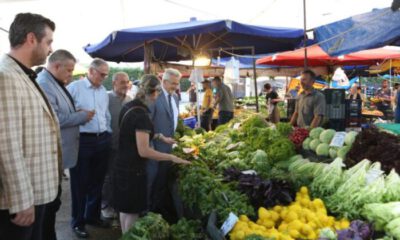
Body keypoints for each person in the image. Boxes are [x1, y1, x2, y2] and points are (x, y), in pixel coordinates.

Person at [0, 13, 61, 240]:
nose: (51, 48)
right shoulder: (6, 77)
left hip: (37, 193)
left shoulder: (23, 74)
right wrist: (21, 200)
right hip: (23, 202)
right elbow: (6, 145)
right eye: (49, 42)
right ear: (31, 38)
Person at [113, 74, 190, 233]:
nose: (158, 97)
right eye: (158, 93)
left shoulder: (129, 106)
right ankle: (129, 235)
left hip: (122, 165)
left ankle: (125, 234)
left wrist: (160, 136)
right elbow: (144, 151)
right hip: (133, 170)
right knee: (133, 212)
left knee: (125, 209)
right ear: (154, 92)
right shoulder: (142, 115)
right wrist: (171, 157)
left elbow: (132, 133)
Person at [37, 49, 94, 240]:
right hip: (52, 154)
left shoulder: (54, 82)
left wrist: (75, 111)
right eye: (69, 70)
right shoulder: (45, 84)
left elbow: (60, 110)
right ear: (56, 66)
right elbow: (55, 118)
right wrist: (81, 116)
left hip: (59, 153)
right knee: (49, 207)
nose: (71, 74)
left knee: (53, 205)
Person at [67, 58, 112, 238]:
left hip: (102, 139)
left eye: (106, 74)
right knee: (80, 183)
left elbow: (105, 114)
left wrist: (108, 132)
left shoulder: (103, 91)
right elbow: (65, 114)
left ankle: (92, 216)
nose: (104, 77)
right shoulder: (74, 88)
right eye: (102, 74)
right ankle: (77, 222)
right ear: (91, 71)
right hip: (82, 140)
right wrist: (79, 115)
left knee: (97, 182)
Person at [148, 69, 181, 220]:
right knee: (153, 180)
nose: (176, 85)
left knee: (161, 179)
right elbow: (147, 125)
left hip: (168, 146)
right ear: (165, 81)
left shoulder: (174, 97)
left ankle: (157, 208)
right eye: (173, 83)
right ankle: (149, 210)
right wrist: (152, 144)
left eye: (177, 83)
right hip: (155, 146)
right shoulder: (155, 96)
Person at [102, 72, 132, 220]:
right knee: (108, 177)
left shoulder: (130, 99)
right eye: (122, 82)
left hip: (125, 147)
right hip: (109, 144)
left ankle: (117, 204)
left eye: (127, 82)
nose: (126, 85)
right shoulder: (106, 98)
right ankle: (106, 206)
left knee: (120, 176)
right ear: (114, 83)